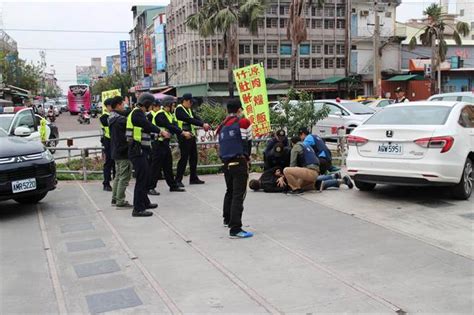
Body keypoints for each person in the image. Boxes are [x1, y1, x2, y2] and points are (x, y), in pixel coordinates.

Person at [127, 92, 170, 217]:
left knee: (145, 177)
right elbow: (147, 125)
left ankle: (144, 202)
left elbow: (144, 130)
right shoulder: (136, 113)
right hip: (137, 150)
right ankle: (138, 209)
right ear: (145, 103)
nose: (152, 106)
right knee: (141, 179)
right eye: (151, 104)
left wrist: (157, 134)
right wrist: (160, 131)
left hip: (141, 149)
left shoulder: (140, 114)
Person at [216, 99, 253, 239]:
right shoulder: (243, 122)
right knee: (239, 194)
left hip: (226, 163)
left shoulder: (222, 126)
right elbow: (247, 142)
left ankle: (227, 219)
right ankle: (235, 228)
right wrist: (247, 158)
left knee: (230, 191)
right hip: (239, 162)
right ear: (239, 110)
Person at [152, 96, 192, 192]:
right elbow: (169, 126)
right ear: (167, 105)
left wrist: (182, 132)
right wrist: (182, 133)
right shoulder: (160, 115)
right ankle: (150, 187)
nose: (174, 107)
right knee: (156, 167)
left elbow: (174, 125)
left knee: (168, 165)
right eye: (172, 105)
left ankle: (173, 186)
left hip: (165, 144)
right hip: (158, 143)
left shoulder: (169, 114)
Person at [175, 93, 211, 187]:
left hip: (191, 136)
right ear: (185, 101)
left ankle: (193, 178)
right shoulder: (179, 109)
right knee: (184, 158)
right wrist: (202, 125)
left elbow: (195, 117)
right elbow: (189, 119)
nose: (191, 104)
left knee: (194, 157)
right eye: (190, 102)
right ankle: (178, 179)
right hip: (183, 136)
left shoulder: (188, 109)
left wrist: (203, 123)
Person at [108, 96, 133, 208]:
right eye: (123, 104)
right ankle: (120, 200)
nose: (124, 107)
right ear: (118, 105)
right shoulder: (121, 120)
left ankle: (115, 198)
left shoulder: (111, 117)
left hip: (115, 151)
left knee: (118, 176)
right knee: (124, 177)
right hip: (123, 151)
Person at [146, 99, 162, 195]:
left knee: (155, 164)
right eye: (158, 107)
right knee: (153, 165)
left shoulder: (155, 115)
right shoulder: (150, 115)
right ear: (154, 106)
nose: (159, 109)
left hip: (156, 141)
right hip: (152, 142)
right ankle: (150, 186)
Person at [100, 98, 115, 191]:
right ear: (108, 106)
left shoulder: (113, 115)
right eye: (111, 106)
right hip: (108, 141)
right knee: (108, 162)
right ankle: (106, 183)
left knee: (115, 162)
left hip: (115, 141)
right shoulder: (104, 117)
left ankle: (116, 180)